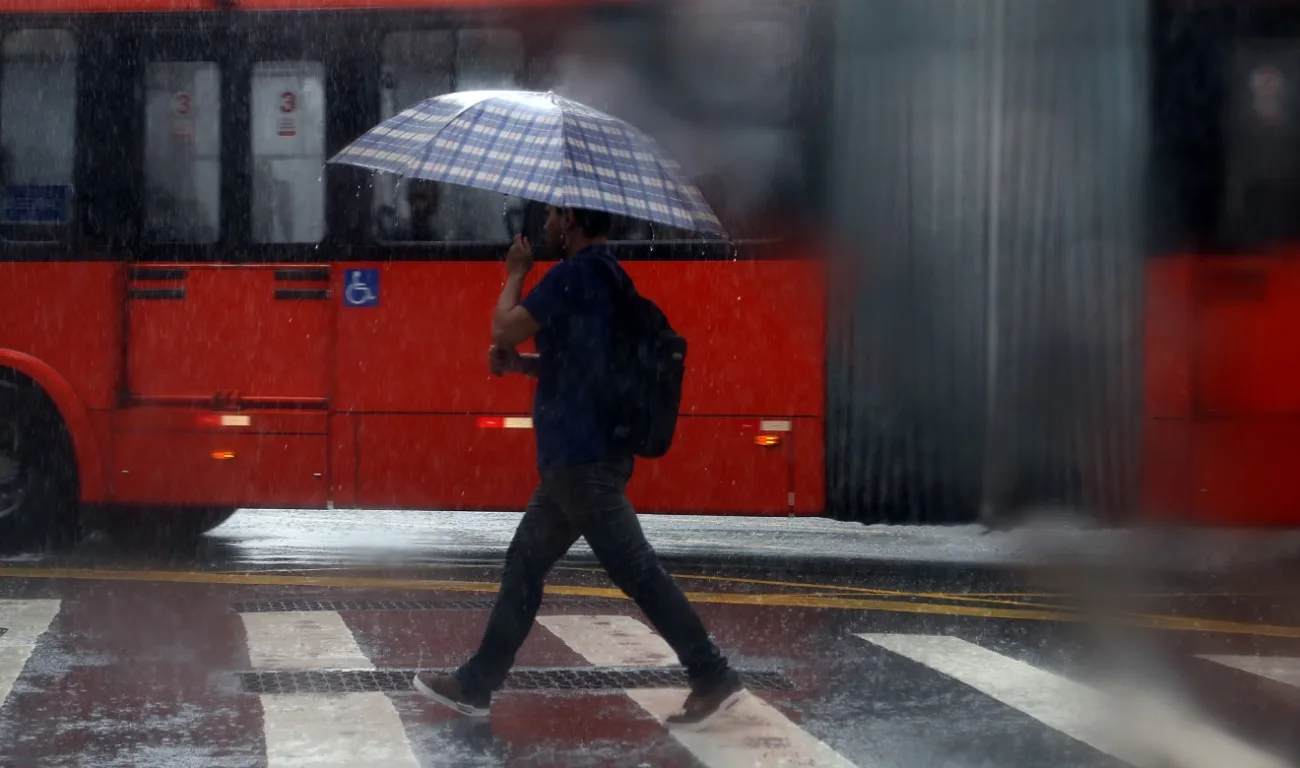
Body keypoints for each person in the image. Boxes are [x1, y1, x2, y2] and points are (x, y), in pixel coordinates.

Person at [412, 204, 745, 729]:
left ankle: (712, 674)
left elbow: (503, 326)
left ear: (569, 220)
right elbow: (581, 365)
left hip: (580, 459)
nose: (543, 222)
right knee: (524, 565)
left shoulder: (571, 276)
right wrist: (523, 365)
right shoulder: (608, 274)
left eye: (550, 213)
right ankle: (476, 686)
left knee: (637, 571)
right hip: (582, 457)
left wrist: (516, 273)